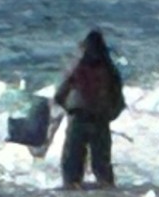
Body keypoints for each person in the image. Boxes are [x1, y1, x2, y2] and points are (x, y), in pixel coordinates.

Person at [53, 29, 126, 188]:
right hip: (100, 120)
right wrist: (108, 116)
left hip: (78, 118)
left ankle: (72, 192)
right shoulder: (110, 71)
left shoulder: (77, 69)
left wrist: (68, 110)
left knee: (72, 166)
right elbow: (119, 102)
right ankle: (108, 194)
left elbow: (59, 96)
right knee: (102, 166)